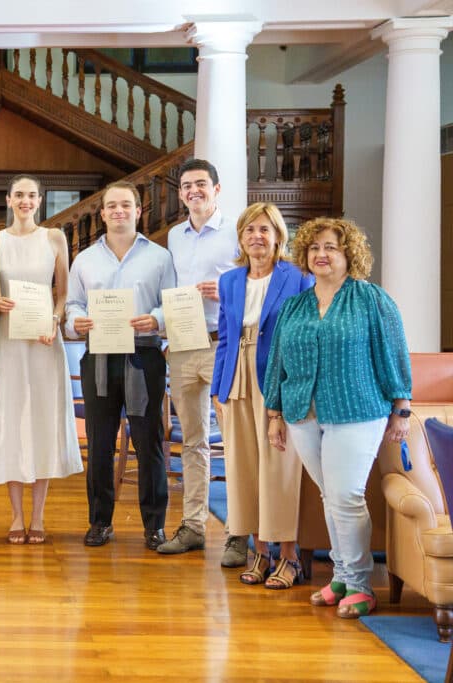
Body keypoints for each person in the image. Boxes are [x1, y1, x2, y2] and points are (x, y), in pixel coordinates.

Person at [265, 217, 411, 618]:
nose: (321, 255)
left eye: (330, 247)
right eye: (314, 248)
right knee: (332, 497)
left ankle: (361, 584)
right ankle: (342, 577)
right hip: (302, 414)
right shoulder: (295, 305)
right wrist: (274, 413)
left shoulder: (370, 299)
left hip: (357, 410)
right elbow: (278, 361)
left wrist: (401, 407)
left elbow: (393, 353)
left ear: (349, 254)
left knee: (346, 496)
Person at [65, 181, 175, 550]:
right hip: (98, 357)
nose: (118, 211)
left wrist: (156, 318)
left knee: (149, 444)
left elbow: (170, 304)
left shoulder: (159, 257)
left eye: (126, 205)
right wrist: (75, 321)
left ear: (138, 211)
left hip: (143, 356)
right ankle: (100, 522)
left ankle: (154, 526)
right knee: (99, 443)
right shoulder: (85, 259)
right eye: (111, 206)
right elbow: (73, 306)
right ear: (102, 213)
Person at [210, 203, 313, 587]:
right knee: (243, 468)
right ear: (240, 237)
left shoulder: (297, 276)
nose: (257, 236)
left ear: (278, 237)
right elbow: (224, 337)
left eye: (265, 230)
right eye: (250, 229)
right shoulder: (230, 281)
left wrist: (290, 394)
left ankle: (289, 557)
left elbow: (301, 336)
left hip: (277, 377)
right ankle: (260, 553)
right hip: (236, 377)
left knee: (278, 467)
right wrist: (219, 390)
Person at [0, 175, 82, 544]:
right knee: (10, 419)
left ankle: (37, 516)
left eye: (31, 195)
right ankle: (16, 515)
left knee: (41, 421)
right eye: (18, 194)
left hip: (42, 341)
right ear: (8, 200)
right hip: (7, 341)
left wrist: (55, 320)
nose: (25, 200)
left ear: (40, 201)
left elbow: (63, 293)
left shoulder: (54, 238)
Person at [158, 158, 240, 557]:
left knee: (236, 441)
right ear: (181, 193)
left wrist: (226, 292)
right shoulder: (175, 236)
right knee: (193, 441)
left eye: (201, 184)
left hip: (224, 344)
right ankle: (193, 526)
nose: (194, 191)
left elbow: (258, 283)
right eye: (187, 186)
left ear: (217, 188)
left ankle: (239, 532)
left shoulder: (238, 232)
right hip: (184, 345)